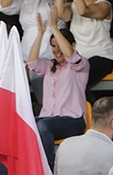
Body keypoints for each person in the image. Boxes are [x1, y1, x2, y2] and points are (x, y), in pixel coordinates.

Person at [28, 9, 88, 166]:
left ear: (72, 44)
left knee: (42, 125)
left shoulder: (80, 65)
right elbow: (32, 62)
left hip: (72, 120)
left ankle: (48, 168)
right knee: (24, 122)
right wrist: (41, 34)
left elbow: (71, 55)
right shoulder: (49, 66)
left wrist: (54, 27)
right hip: (48, 118)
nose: (56, 49)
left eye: (60, 44)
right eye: (53, 46)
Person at [52, 0, 113, 94]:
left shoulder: (104, 5)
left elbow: (83, 11)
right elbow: (59, 14)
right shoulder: (72, 6)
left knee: (77, 80)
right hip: (77, 58)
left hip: (101, 56)